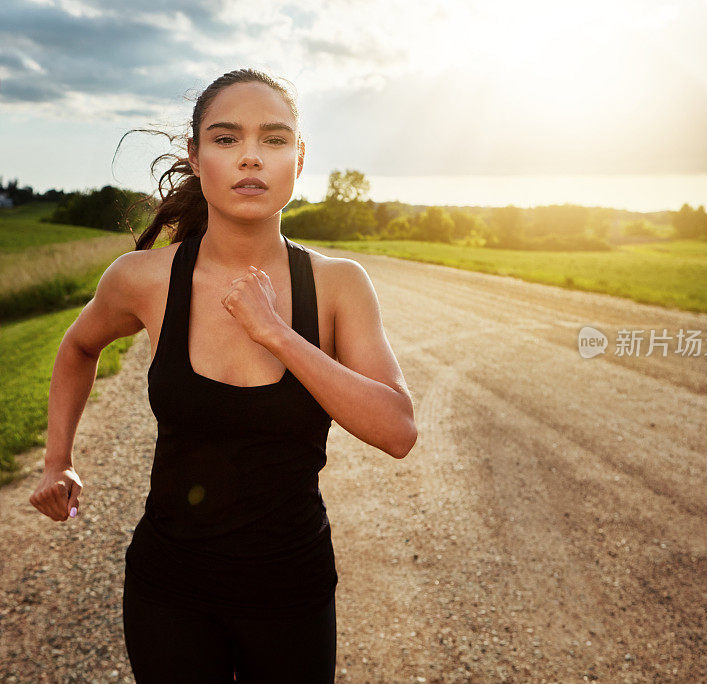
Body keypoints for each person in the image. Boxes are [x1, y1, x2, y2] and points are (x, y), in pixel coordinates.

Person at [28, 67, 418, 683]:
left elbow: (397, 430)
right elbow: (77, 347)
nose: (251, 159)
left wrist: (276, 333)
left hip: (292, 592)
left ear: (299, 157)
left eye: (275, 139)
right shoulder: (143, 279)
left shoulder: (339, 285)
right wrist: (58, 460)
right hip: (169, 590)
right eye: (227, 138)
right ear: (195, 155)